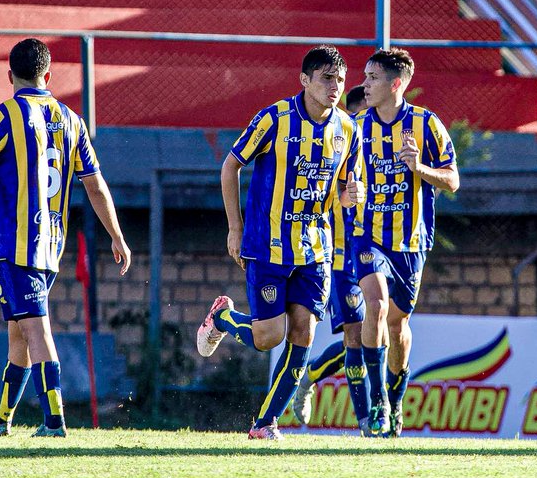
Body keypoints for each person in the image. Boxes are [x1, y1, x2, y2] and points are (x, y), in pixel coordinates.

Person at [0, 38, 131, 437]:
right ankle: (1, 419)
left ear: (9, 76)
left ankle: (54, 421)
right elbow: (96, 186)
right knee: (19, 333)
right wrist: (116, 234)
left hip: (17, 244)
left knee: (36, 331)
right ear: (48, 76)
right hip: (51, 245)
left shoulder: (5, 115)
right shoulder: (72, 120)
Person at [196, 45, 364, 440]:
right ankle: (222, 317)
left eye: (340, 79)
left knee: (303, 333)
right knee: (266, 337)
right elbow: (231, 164)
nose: (335, 86)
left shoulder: (347, 129)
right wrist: (234, 229)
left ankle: (265, 423)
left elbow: (344, 189)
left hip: (316, 250)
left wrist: (350, 194)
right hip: (266, 245)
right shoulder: (275, 119)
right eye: (326, 78)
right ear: (304, 80)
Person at [354, 47, 459, 437]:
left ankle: (396, 402)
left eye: (373, 78)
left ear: (395, 83)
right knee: (376, 306)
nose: (364, 84)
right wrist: (346, 195)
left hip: (410, 242)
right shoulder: (355, 127)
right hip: (366, 235)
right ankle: (378, 399)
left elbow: (452, 180)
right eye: (364, 76)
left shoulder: (426, 125)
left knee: (397, 325)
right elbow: (337, 177)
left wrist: (419, 168)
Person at [293, 84, 372, 434]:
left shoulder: (390, 149)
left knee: (377, 334)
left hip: (380, 255)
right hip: (341, 258)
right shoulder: (334, 146)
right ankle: (370, 422)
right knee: (355, 334)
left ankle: (311, 373)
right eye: (360, 116)